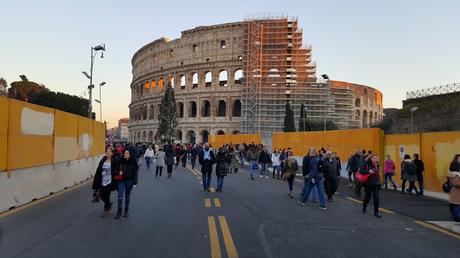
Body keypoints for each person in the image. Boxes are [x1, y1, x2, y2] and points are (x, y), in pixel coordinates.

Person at [92, 147, 118, 217]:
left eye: (109, 152)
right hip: (102, 180)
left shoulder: (115, 160)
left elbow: (116, 171)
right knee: (102, 195)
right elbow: (98, 170)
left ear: (112, 153)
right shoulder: (103, 160)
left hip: (110, 181)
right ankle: (108, 204)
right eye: (107, 151)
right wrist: (96, 179)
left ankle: (106, 209)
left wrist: (116, 180)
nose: (107, 152)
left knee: (106, 195)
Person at [115, 150, 139, 219]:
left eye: (127, 153)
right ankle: (119, 211)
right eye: (124, 153)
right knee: (119, 195)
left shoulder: (133, 162)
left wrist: (135, 182)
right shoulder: (121, 161)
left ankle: (126, 210)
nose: (125, 154)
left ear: (130, 155)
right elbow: (116, 169)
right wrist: (118, 172)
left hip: (129, 181)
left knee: (127, 196)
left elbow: (135, 173)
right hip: (121, 180)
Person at [360, 154, 382, 218]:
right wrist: (368, 171)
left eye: (376, 158)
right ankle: (364, 207)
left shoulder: (377, 165)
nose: (375, 159)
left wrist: (380, 182)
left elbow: (378, 174)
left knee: (376, 198)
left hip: (376, 184)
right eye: (374, 158)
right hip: (368, 184)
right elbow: (361, 171)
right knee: (368, 197)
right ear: (371, 158)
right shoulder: (366, 164)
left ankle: (376, 212)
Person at [448, 154, 460, 221]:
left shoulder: (454, 173)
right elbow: (456, 183)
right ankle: (456, 217)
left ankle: (455, 216)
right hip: (456, 192)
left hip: (455, 192)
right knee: (456, 204)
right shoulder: (455, 174)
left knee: (455, 204)